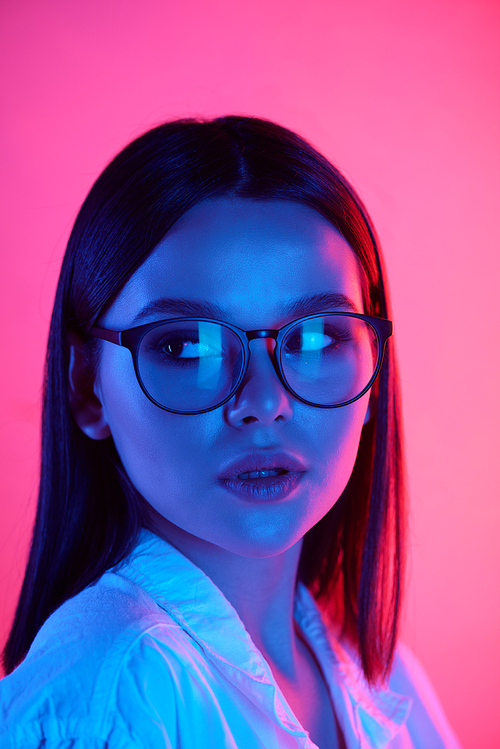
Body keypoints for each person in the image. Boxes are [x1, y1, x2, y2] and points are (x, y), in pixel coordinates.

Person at [0, 116, 462, 748]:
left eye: (320, 338)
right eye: (188, 346)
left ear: (374, 369)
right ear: (87, 387)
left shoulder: (384, 679)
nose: (265, 402)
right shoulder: (107, 697)